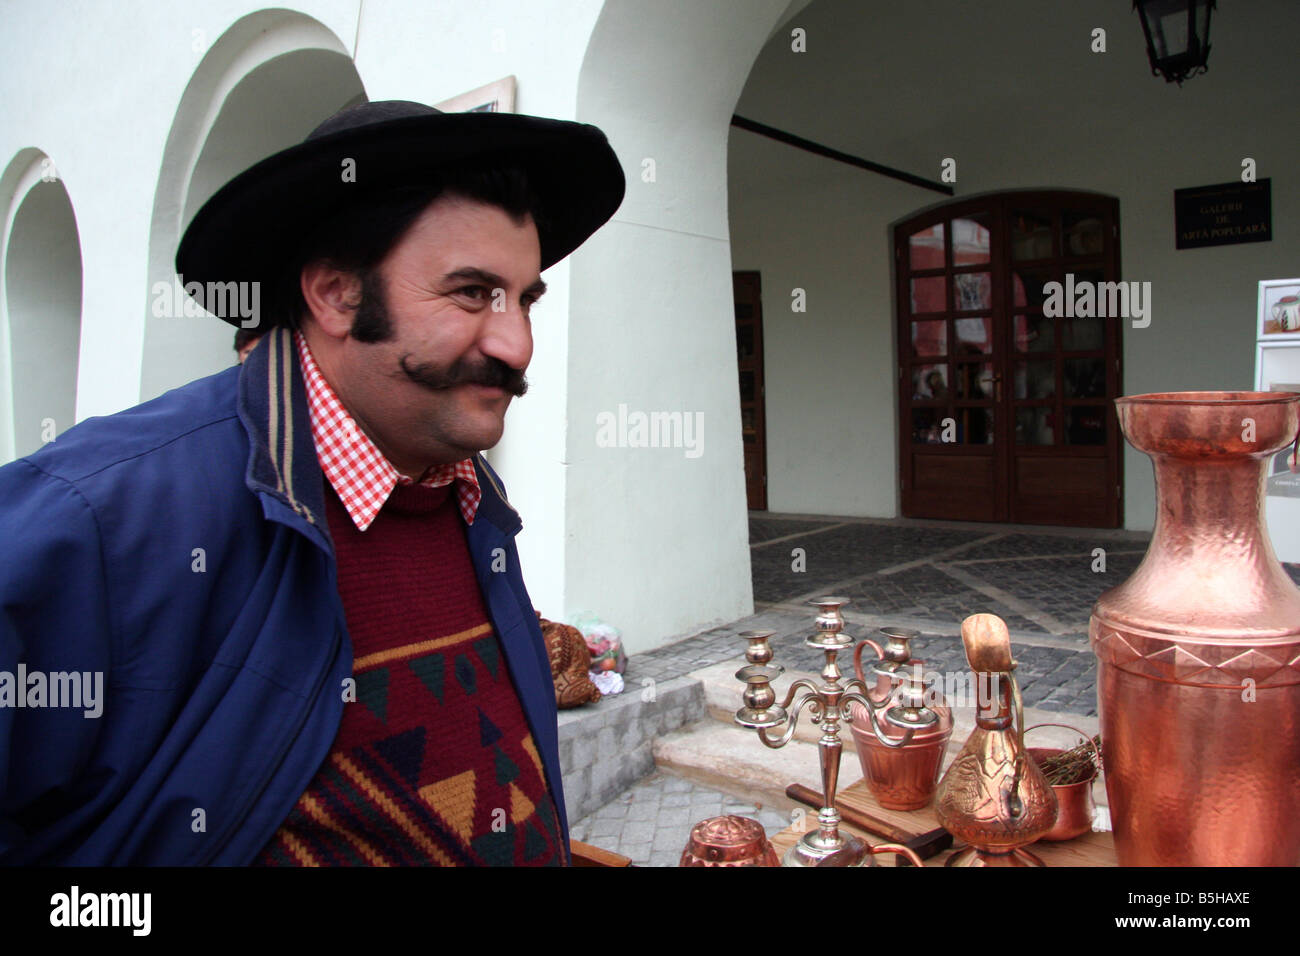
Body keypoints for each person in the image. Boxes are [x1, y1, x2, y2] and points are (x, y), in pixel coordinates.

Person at [0, 100, 624, 865]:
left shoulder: (471, 499)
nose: (516, 343)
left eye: (524, 300)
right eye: (472, 294)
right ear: (335, 294)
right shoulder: (94, 518)